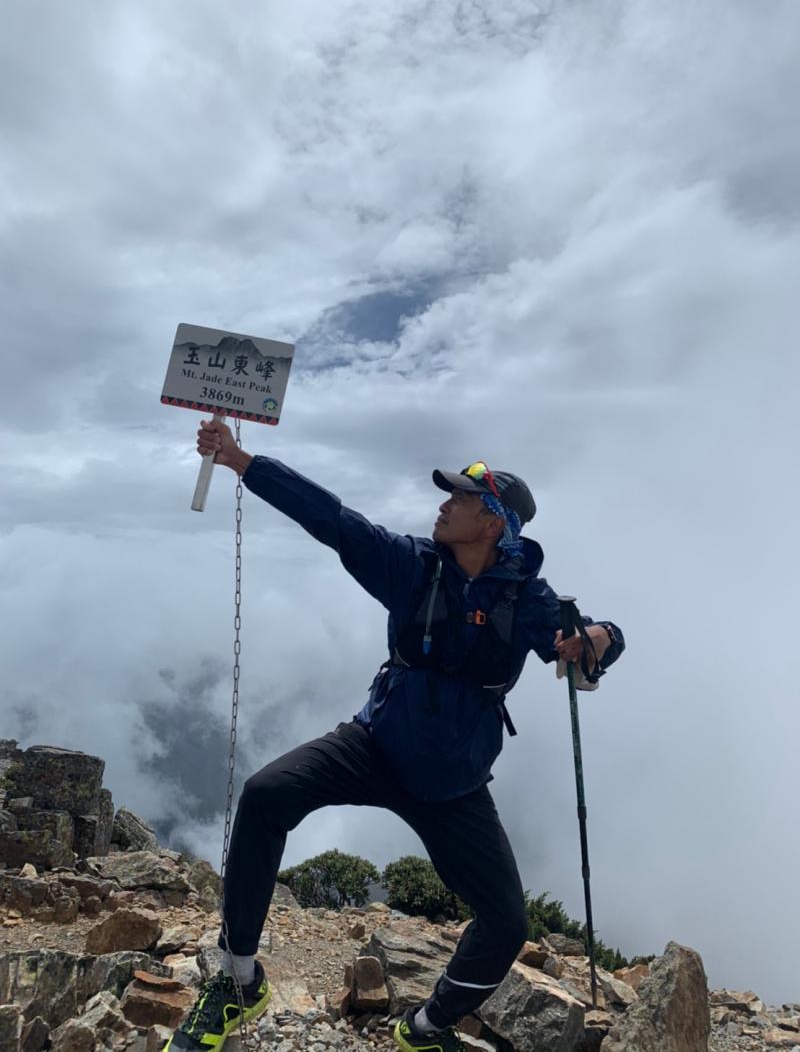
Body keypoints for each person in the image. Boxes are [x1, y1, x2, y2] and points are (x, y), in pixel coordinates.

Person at [164, 420, 625, 1052]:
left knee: (506, 924)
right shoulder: (413, 566)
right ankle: (239, 982)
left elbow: (588, 639)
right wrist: (242, 461)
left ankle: (427, 1028)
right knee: (266, 795)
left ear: (494, 523)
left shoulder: (527, 599)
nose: (444, 504)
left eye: (461, 498)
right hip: (375, 746)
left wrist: (601, 638)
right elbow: (333, 519)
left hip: (454, 781)